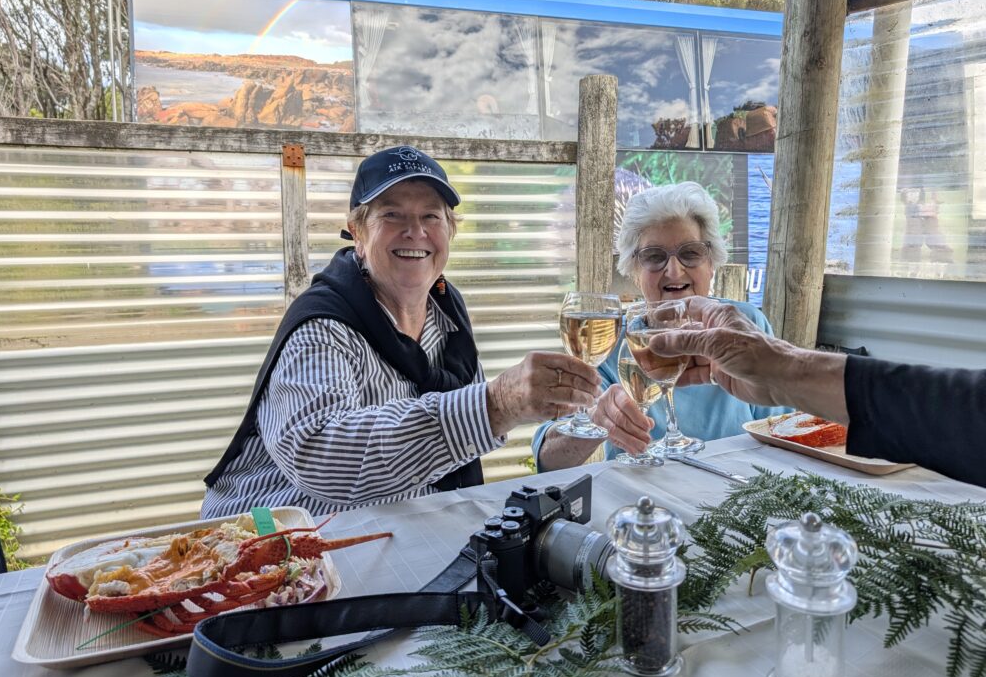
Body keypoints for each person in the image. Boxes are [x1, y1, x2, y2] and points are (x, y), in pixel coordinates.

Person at [201, 146, 600, 519]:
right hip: (275, 538)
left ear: (449, 231)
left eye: (431, 216)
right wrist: (495, 405)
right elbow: (322, 458)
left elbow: (454, 447)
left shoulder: (446, 312)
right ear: (357, 232)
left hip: (388, 523)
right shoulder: (322, 327)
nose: (415, 231)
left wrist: (579, 416)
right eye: (391, 215)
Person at [533, 182, 790, 471]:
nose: (674, 270)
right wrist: (597, 418)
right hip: (643, 501)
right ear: (634, 272)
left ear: (712, 263)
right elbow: (548, 459)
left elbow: (785, 431)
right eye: (654, 257)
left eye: (690, 253)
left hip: (736, 493)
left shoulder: (746, 323)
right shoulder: (611, 338)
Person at [648, 297, 986, 489]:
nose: (674, 270)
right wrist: (782, 373)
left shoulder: (750, 320)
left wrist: (784, 370)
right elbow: (967, 411)